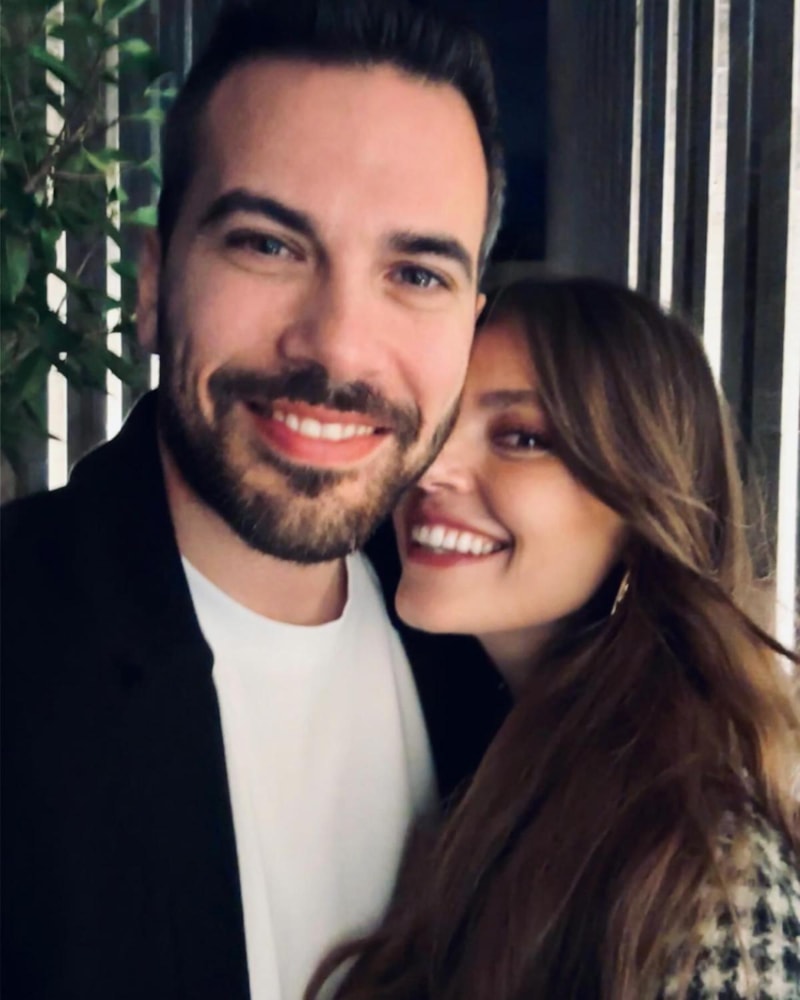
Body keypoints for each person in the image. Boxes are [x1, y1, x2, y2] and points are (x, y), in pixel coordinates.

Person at [0, 3, 511, 998]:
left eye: (415, 273)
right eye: (268, 246)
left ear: (468, 326)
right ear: (153, 282)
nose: (338, 347)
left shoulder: (494, 658)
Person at [310, 276, 800, 1000]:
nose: (429, 468)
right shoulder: (468, 743)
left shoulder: (707, 877)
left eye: (521, 438)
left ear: (644, 510)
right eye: (435, 425)